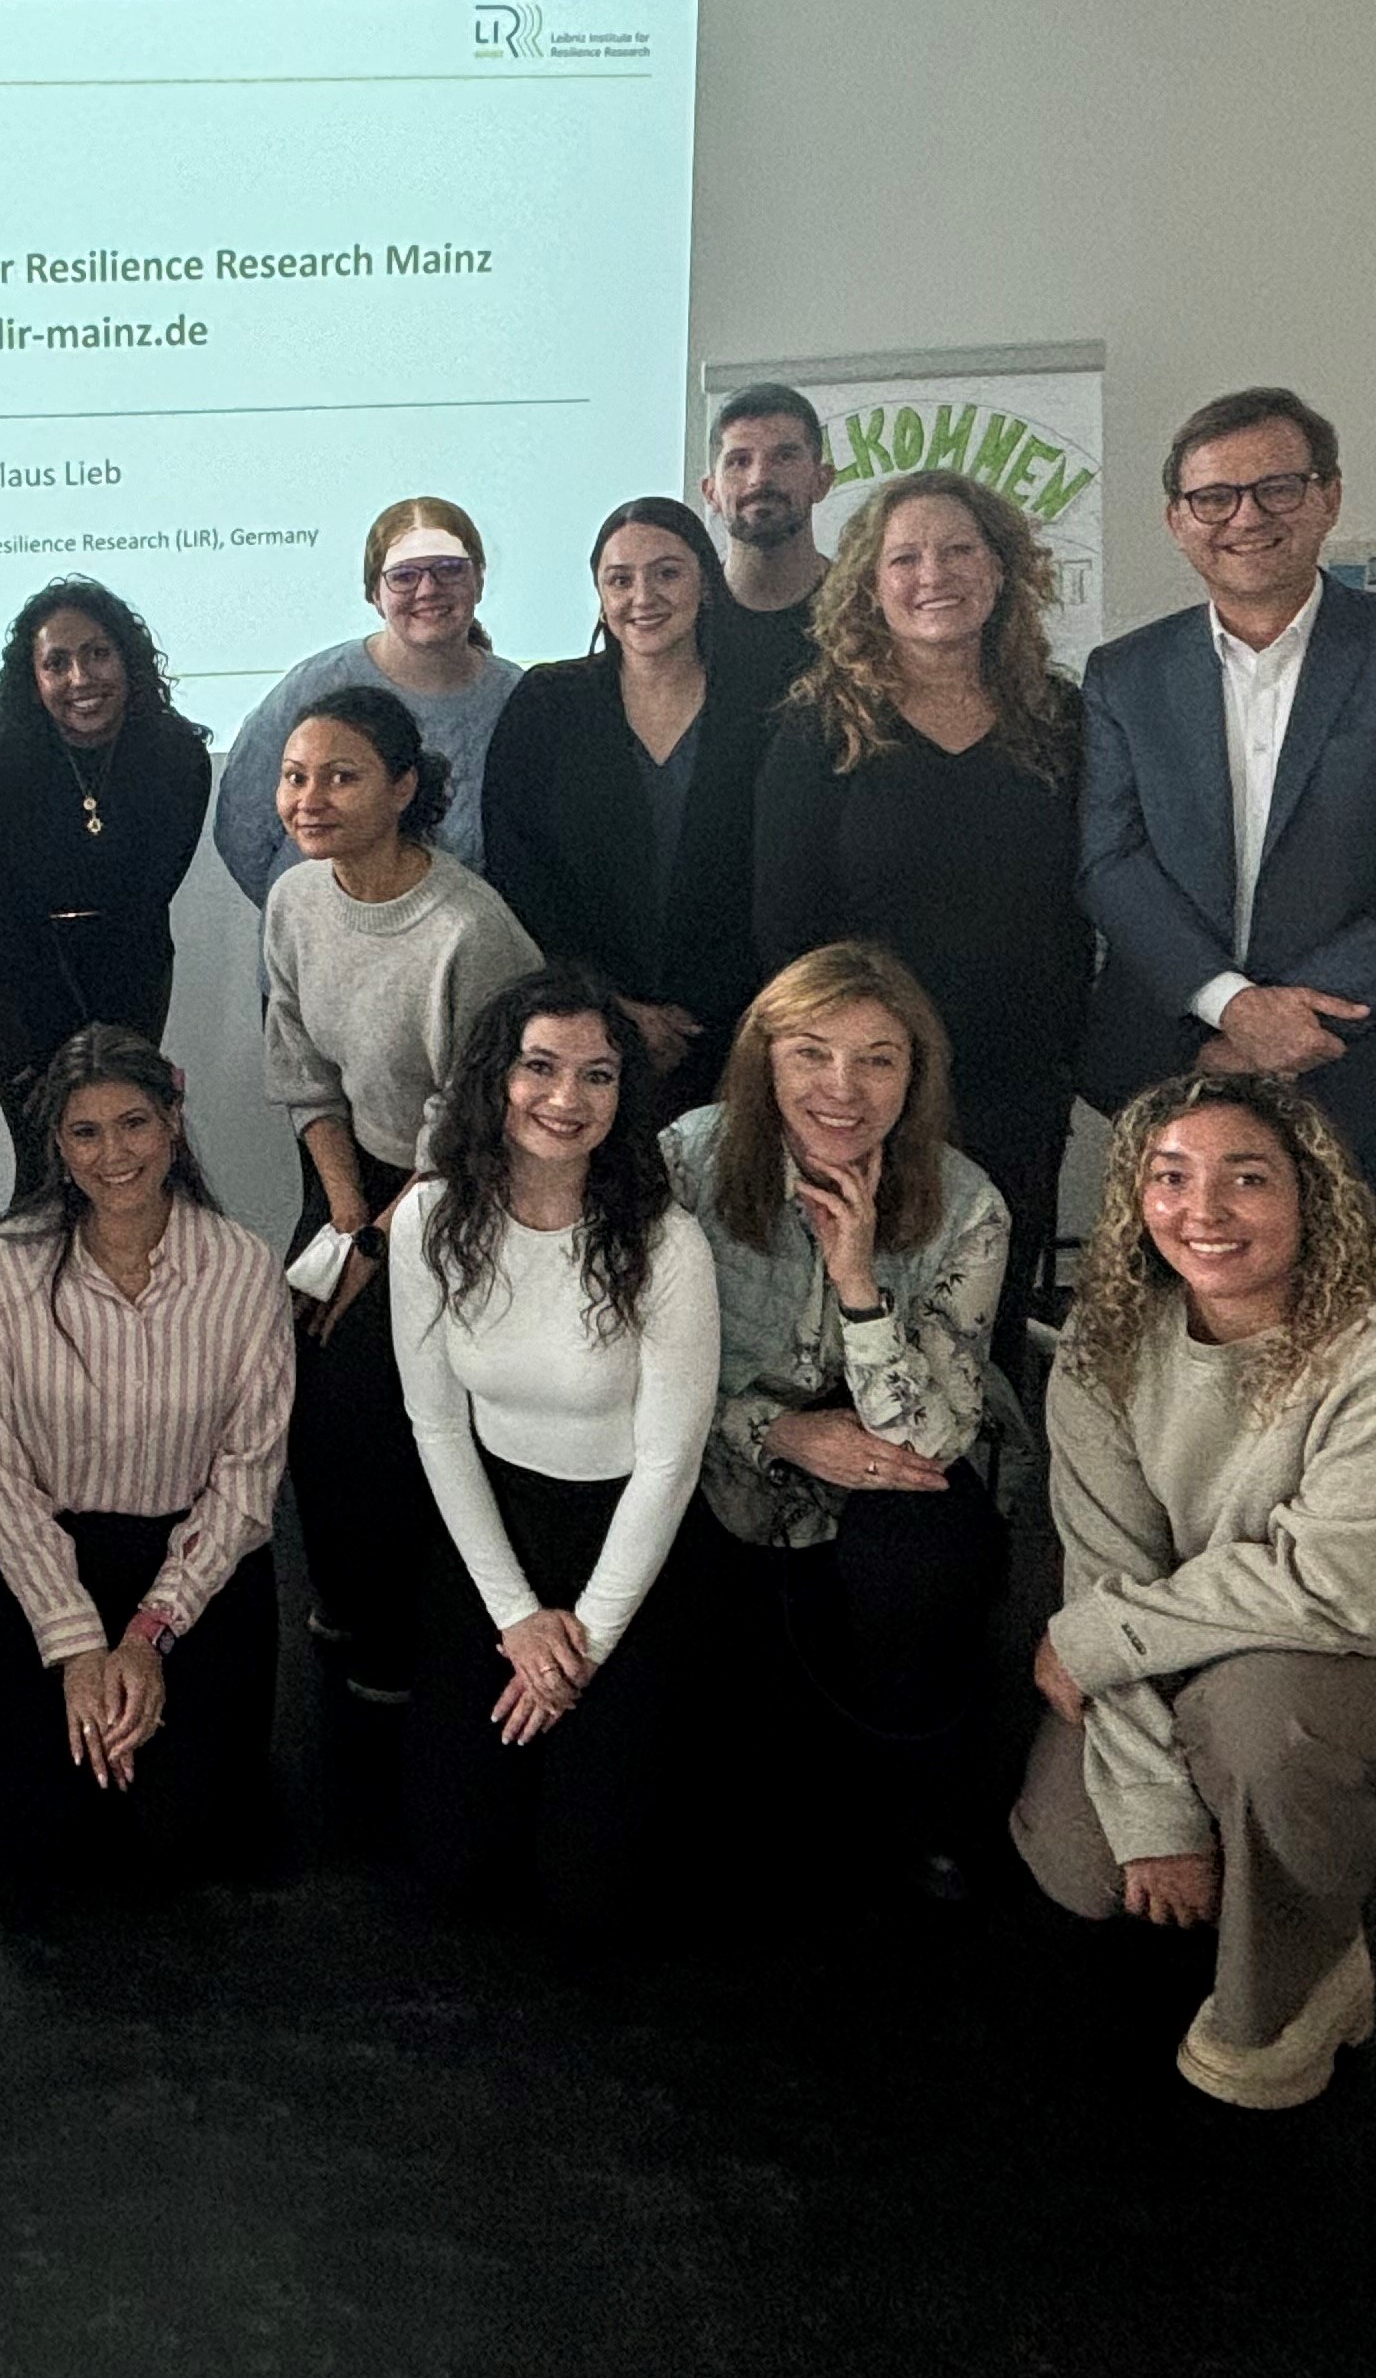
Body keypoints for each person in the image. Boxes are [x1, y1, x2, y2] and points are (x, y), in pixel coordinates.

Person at [1010, 1071, 1376, 2112]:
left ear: (1313, 1192)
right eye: (1170, 1178)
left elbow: (1342, 1591)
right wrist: (1155, 1808)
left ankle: (1305, 1981)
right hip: (1193, 1640)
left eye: (1244, 1178)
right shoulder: (1107, 1344)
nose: (1202, 1212)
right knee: (1082, 1867)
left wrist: (1104, 1639)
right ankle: (1238, 1814)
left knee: (1257, 1721)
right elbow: (1107, 1579)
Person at [1079, 387, 1376, 1233]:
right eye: (1213, 497)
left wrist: (1285, 1022)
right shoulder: (1124, 674)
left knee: (1366, 1337)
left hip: (1369, 1066)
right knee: (1181, 1330)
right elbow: (1110, 861)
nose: (1245, 517)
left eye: (1276, 487)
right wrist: (1231, 1008)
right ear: (1177, 519)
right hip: (1179, 1061)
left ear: (1328, 498)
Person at [664, 946, 1016, 1893]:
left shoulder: (968, 1203)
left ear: (916, 1072)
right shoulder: (688, 1161)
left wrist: (860, 1285)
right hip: (717, 1472)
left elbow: (927, 1441)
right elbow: (630, 1376)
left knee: (923, 1547)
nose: (843, 1090)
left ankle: (926, 1792)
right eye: (812, 1054)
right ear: (764, 1060)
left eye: (878, 1058)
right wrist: (775, 1433)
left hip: (878, 1482)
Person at [389, 963, 721, 1921]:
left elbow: (667, 1466)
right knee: (454, 1867)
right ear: (497, 1078)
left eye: (599, 1075)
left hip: (626, 1542)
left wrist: (580, 1647)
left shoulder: (666, 1245)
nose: (566, 1100)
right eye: (540, 1067)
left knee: (591, 1894)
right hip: (494, 1530)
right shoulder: (428, 1220)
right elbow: (437, 1423)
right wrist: (514, 1618)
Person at [0, 1024, 294, 1891]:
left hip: (198, 1581)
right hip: (47, 1576)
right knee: (45, 1850)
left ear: (173, 1122)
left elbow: (248, 1482)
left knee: (181, 1844)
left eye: (134, 1123)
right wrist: (77, 1649)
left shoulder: (245, 1269)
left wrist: (149, 1635)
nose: (115, 1154)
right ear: (57, 1148)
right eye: (86, 1132)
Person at [257, 682, 539, 1702]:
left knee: (368, 1394)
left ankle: (402, 1628)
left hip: (467, 1181)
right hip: (353, 1170)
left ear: (403, 787)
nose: (309, 798)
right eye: (295, 776)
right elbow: (301, 1069)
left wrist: (378, 1247)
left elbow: (475, 1121)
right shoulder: (296, 899)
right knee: (296, 1360)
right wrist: (342, 1217)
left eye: (340, 775)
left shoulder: (469, 930)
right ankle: (339, 1593)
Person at [755, 467, 1091, 1323]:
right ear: (870, 584)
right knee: (858, 1306)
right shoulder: (818, 726)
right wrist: (845, 1070)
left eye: (957, 550)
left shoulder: (1061, 718)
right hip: (863, 1086)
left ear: (1002, 567)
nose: (932, 575)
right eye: (904, 557)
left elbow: (1089, 895)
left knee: (993, 1311)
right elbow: (787, 927)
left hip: (1015, 1082)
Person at [483, 497, 775, 1112]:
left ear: (706, 583)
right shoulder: (547, 705)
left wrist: (708, 1016)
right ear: (600, 593)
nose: (643, 596)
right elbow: (519, 872)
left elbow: (786, 873)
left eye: (667, 572)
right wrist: (610, 1005)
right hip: (580, 1035)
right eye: (620, 579)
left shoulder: (768, 707)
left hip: (744, 1033)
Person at [0, 580, 212, 1148]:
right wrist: (65, 1054)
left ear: (127, 659)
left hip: (131, 967)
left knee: (126, 1142)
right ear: (33, 677)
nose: (80, 679)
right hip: (13, 980)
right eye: (56, 663)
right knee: (47, 1148)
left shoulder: (177, 754)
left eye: (97, 654)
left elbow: (151, 894)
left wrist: (108, 1036)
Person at [214, 497, 523, 905]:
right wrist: (311, 920)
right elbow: (244, 830)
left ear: (479, 580)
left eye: (448, 570)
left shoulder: (521, 697)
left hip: (471, 952)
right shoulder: (314, 687)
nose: (428, 590)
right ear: (374, 593)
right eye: (404, 576)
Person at [696, 380, 836, 682]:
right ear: (710, 493)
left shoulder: (867, 613)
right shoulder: (685, 622)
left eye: (784, 457)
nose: (759, 478)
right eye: (739, 461)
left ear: (821, 480)